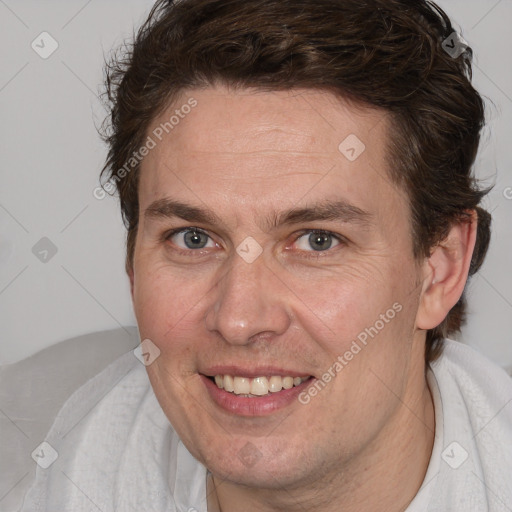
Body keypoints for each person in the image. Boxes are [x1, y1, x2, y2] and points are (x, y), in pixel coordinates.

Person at [21, 0, 512, 510]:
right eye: (193, 238)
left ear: (440, 270)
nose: (238, 319)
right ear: (132, 262)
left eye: (317, 240)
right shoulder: (44, 453)